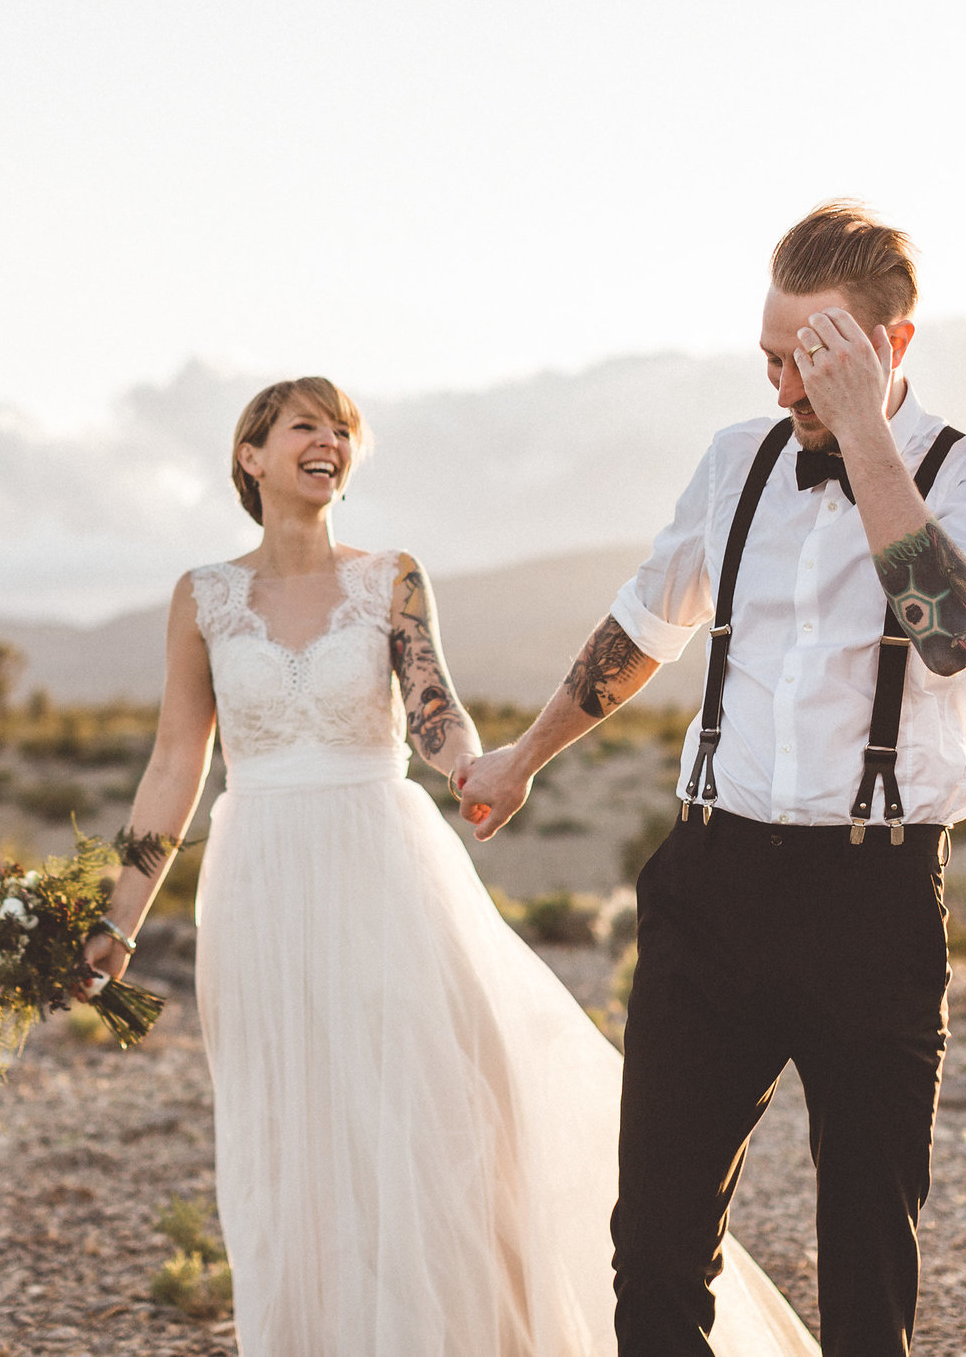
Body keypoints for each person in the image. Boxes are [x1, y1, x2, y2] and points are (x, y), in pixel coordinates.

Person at [85, 377, 815, 1357]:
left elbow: (434, 701)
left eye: (342, 429)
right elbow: (177, 762)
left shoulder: (390, 576)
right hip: (259, 881)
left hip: (382, 861)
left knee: (426, 1114)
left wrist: (472, 764)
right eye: (305, 424)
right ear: (250, 455)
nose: (329, 440)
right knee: (293, 1137)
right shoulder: (202, 596)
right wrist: (118, 919)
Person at [455, 203, 966, 1357]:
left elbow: (949, 632)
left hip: (871, 904)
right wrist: (524, 756)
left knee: (866, 1251)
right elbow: (641, 624)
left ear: (890, 347)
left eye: (810, 362)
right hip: (711, 884)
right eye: (770, 359)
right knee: (657, 1237)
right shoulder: (737, 460)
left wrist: (864, 431)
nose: (782, 388)